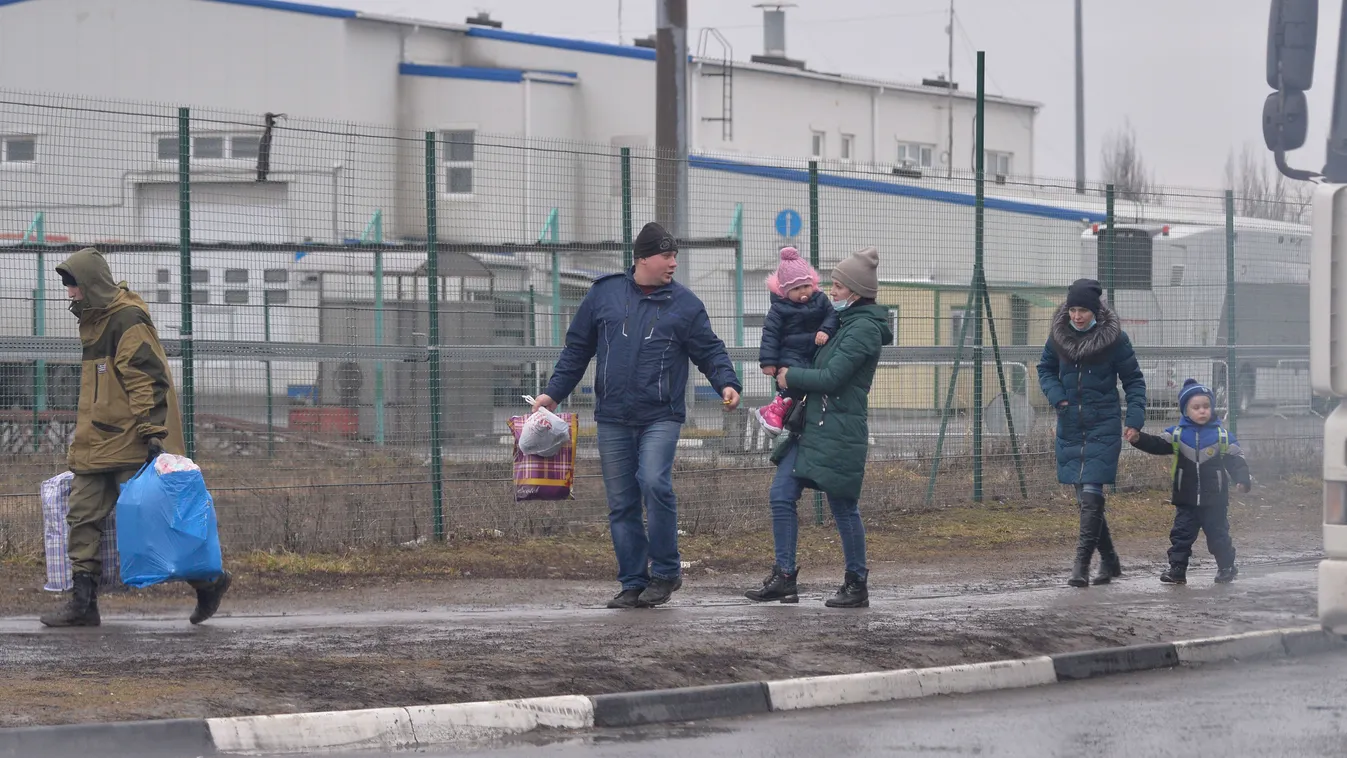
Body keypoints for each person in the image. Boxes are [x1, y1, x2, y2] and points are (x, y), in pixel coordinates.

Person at [532, 222, 742, 609]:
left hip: (661, 415)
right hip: (613, 416)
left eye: (676, 255)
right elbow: (577, 350)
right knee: (622, 502)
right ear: (643, 258)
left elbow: (710, 351)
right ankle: (632, 581)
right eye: (667, 255)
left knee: (653, 481)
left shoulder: (685, 305)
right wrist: (553, 394)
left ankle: (665, 571)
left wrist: (726, 383)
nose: (674, 263)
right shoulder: (604, 295)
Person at [40, 248, 232, 627]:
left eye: (73, 285)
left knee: (156, 524)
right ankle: (83, 604)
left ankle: (209, 581)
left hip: (130, 442)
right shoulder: (96, 321)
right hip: (97, 443)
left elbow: (146, 379)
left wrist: (152, 434)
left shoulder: (126, 319)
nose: (69, 293)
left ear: (90, 285)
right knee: (80, 517)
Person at [745, 246, 892, 608]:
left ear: (855, 292)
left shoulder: (864, 331)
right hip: (812, 424)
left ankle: (856, 583)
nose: (832, 291)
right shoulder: (841, 322)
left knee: (843, 507)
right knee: (781, 494)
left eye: (839, 286)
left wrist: (789, 374)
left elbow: (832, 376)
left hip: (839, 428)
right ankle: (784, 577)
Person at [1037, 278, 1147, 589]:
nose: (1076, 316)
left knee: (1091, 496)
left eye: (1082, 310)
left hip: (1104, 424)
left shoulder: (1115, 340)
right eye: (1072, 309)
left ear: (1095, 311)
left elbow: (1134, 381)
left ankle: (1081, 564)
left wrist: (1135, 419)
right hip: (1071, 423)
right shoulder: (1058, 337)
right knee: (1085, 498)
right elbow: (1044, 369)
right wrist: (1058, 397)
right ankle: (1110, 558)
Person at [1128, 379, 1250, 584]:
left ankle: (1227, 567)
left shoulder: (1222, 436)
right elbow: (1156, 444)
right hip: (1186, 500)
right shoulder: (1177, 435)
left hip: (1215, 501)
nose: (1202, 411)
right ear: (1186, 410)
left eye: (1206, 406)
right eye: (1196, 407)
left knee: (1218, 536)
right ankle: (1177, 570)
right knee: (1181, 536)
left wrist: (1242, 479)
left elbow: (1237, 461)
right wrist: (1138, 439)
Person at [753, 246, 839, 435]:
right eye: (796, 288)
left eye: (806, 286)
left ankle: (771, 411)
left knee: (804, 386)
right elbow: (770, 334)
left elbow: (832, 315)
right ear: (784, 291)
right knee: (794, 384)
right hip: (790, 352)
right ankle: (775, 413)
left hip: (814, 351)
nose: (804, 292)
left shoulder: (820, 299)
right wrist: (768, 361)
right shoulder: (779, 309)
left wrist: (825, 330)